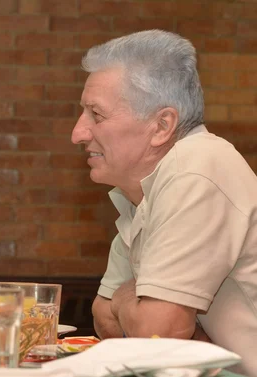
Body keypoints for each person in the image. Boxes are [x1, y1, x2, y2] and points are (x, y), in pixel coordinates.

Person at [72, 29, 257, 376]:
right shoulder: (140, 193)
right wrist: (174, 332)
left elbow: (155, 332)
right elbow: (104, 320)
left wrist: (129, 300)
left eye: (96, 115)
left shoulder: (197, 169)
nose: (78, 133)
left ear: (162, 126)